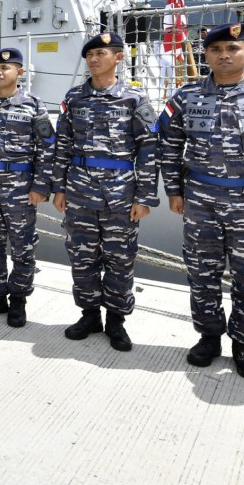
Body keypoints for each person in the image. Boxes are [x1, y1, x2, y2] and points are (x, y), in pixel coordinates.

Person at [158, 22, 244, 380]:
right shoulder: (185, 97)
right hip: (201, 200)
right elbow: (168, 145)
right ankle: (209, 337)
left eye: (233, 49)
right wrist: (174, 190)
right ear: (207, 55)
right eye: (216, 50)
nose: (224, 55)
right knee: (202, 272)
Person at [51, 32, 158, 351]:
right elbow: (63, 145)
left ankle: (116, 320)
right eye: (90, 55)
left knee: (120, 259)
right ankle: (89, 315)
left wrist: (145, 196)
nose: (94, 59)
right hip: (80, 193)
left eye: (101, 53)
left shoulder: (134, 100)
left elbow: (149, 148)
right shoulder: (73, 98)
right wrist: (59, 187)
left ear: (119, 57)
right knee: (82, 257)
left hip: (120, 195)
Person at [0, 48, 54, 327]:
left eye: (6, 68)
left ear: (20, 73)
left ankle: (18, 300)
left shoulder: (33, 105)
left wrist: (41, 185)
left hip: (20, 189)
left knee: (22, 246)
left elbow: (47, 149)